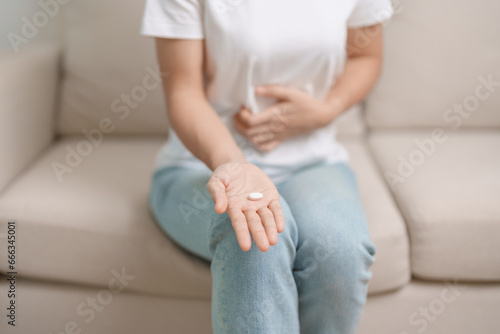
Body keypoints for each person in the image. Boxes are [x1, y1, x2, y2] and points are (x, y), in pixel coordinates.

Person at [140, 1, 393, 333]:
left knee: (340, 252)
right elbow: (183, 91)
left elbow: (366, 56)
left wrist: (327, 109)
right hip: (202, 167)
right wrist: (232, 165)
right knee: (257, 235)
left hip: (312, 164)